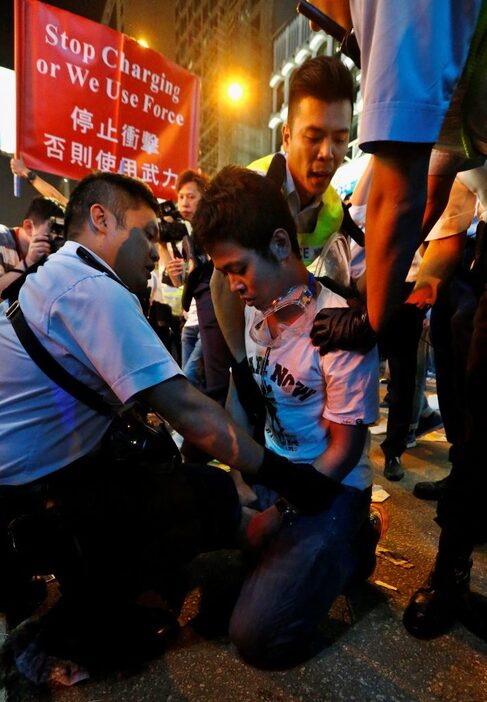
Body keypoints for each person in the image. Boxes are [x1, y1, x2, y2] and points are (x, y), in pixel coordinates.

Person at [0, 172, 343, 676]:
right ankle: (93, 620)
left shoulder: (56, 276)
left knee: (190, 483)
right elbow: (191, 410)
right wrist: (283, 477)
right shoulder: (92, 287)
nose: (155, 251)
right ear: (101, 219)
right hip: (31, 505)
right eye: (145, 234)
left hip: (29, 492)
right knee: (205, 495)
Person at [193, 165, 380, 666]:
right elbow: (240, 398)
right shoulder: (257, 307)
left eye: (238, 269)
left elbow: (343, 454)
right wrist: (240, 485)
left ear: (280, 243)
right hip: (277, 474)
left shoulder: (336, 328)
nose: (233, 285)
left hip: (328, 491)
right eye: (224, 272)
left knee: (256, 638)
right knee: (201, 572)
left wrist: (277, 518)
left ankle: (356, 539)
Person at [211, 55, 358, 382]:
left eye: (339, 138)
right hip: (230, 319)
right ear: (287, 136)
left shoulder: (335, 209)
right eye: (314, 136)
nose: (327, 153)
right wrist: (241, 366)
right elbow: (222, 287)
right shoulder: (251, 190)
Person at [0, 196, 65, 295]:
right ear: (29, 227)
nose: (57, 237)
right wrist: (29, 261)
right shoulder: (2, 238)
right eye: (53, 229)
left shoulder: (50, 253)